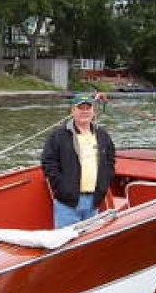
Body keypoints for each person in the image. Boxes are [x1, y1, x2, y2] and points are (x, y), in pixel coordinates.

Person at [41, 92, 116, 228]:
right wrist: (63, 188)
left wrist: (104, 184)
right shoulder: (58, 135)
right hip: (67, 203)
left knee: (91, 238)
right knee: (67, 239)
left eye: (88, 108)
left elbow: (110, 160)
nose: (85, 111)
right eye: (80, 108)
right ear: (73, 111)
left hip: (94, 200)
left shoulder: (103, 135)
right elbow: (48, 163)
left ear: (93, 111)